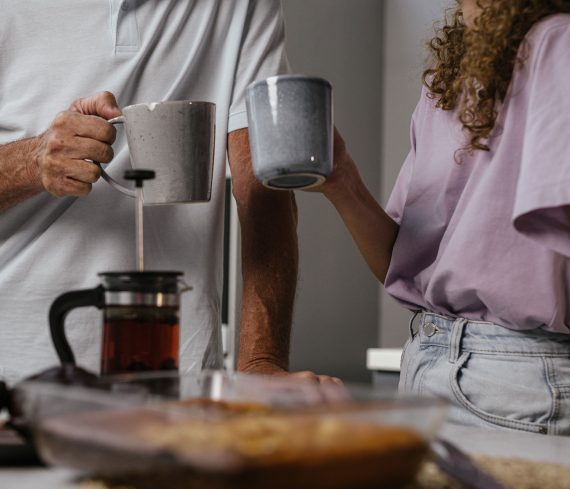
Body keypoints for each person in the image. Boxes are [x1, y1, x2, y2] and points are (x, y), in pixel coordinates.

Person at [0, 1, 337, 385]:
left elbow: (262, 188)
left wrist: (261, 364)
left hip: (178, 373)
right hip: (12, 367)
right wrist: (32, 160)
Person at [313, 0, 570, 437]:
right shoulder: (445, 83)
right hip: (423, 363)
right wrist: (342, 180)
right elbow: (401, 265)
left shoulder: (564, 40)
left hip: (518, 385)